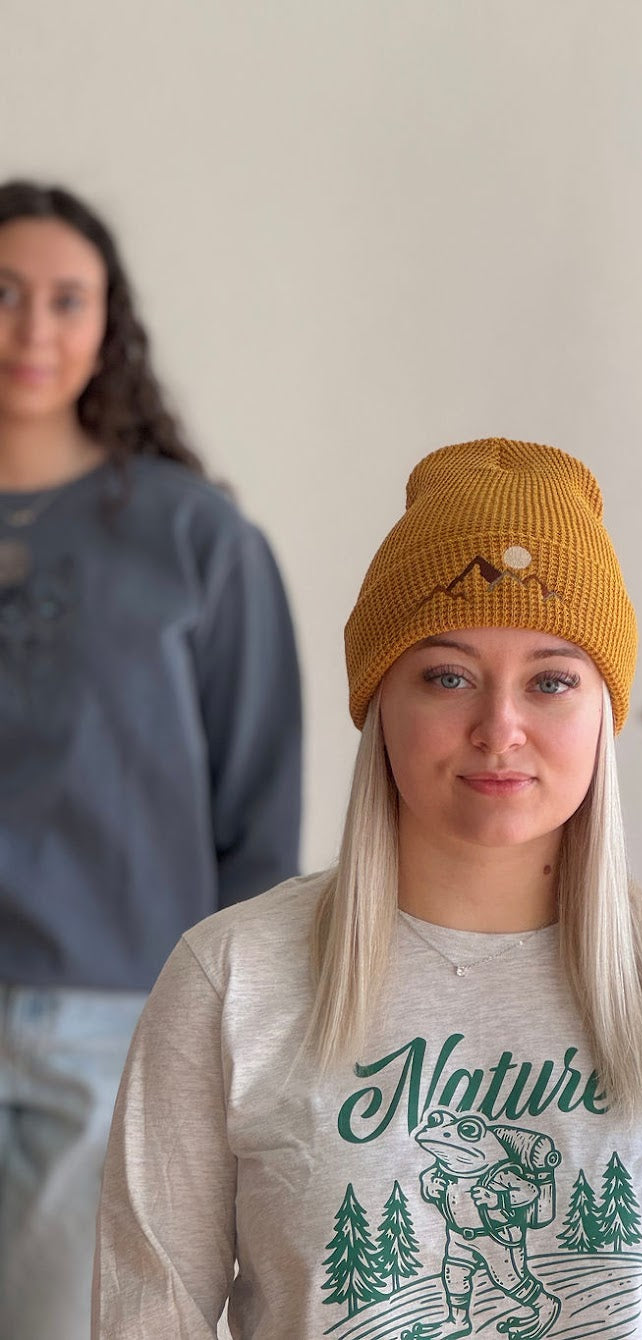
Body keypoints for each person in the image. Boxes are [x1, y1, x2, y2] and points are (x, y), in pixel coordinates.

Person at [94, 436, 642, 1340]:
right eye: (448, 676)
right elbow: (145, 1318)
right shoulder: (232, 978)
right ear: (380, 702)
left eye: (552, 681)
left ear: (603, 712)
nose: (499, 728)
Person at [0, 180, 302, 1340]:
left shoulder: (194, 537)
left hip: (118, 1021)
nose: (34, 328)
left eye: (66, 299)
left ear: (107, 322)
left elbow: (259, 800)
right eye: (6, 293)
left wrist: (236, 1041)